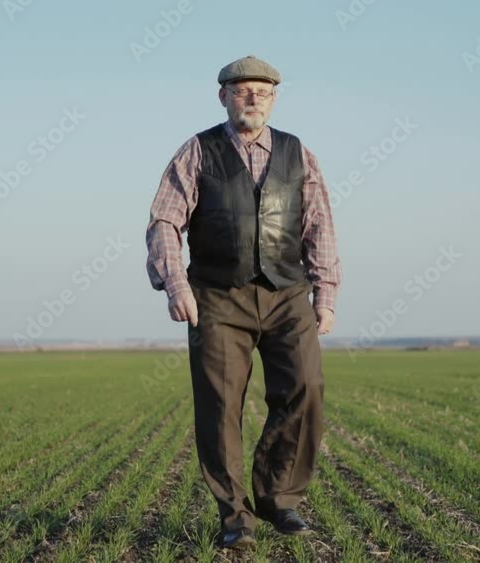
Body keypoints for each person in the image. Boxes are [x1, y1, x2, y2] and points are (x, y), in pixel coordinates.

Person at [144, 55, 342, 550]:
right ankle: (235, 516)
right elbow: (165, 220)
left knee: (305, 388)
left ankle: (278, 498)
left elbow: (319, 224)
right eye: (242, 90)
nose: (253, 98)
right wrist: (176, 286)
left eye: (263, 92)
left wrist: (326, 293)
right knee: (220, 406)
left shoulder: (298, 153)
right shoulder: (198, 150)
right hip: (216, 296)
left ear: (274, 99)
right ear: (223, 97)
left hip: (287, 293)